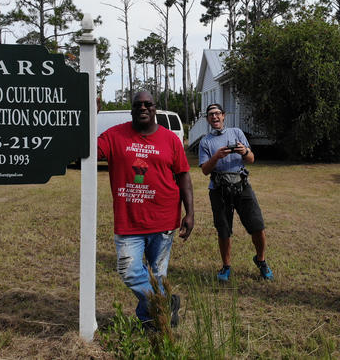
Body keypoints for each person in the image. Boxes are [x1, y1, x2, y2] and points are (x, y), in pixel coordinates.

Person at [97, 91, 194, 329]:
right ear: (131, 109)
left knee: (158, 276)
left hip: (164, 219)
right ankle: (165, 303)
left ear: (155, 109)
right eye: (137, 104)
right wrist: (92, 113)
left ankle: (150, 323)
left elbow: (183, 175)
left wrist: (190, 213)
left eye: (147, 104)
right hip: (128, 220)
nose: (142, 107)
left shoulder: (170, 139)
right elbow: (84, 148)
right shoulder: (114, 135)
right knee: (130, 271)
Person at [198, 103, 273, 282]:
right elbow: (205, 170)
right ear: (207, 119)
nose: (214, 117)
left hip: (241, 185)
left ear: (223, 116)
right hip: (218, 189)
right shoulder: (205, 141)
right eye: (211, 115)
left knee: (257, 226)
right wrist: (216, 156)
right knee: (223, 230)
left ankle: (261, 260)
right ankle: (226, 266)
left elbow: (251, 159)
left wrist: (244, 151)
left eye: (217, 114)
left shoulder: (237, 133)